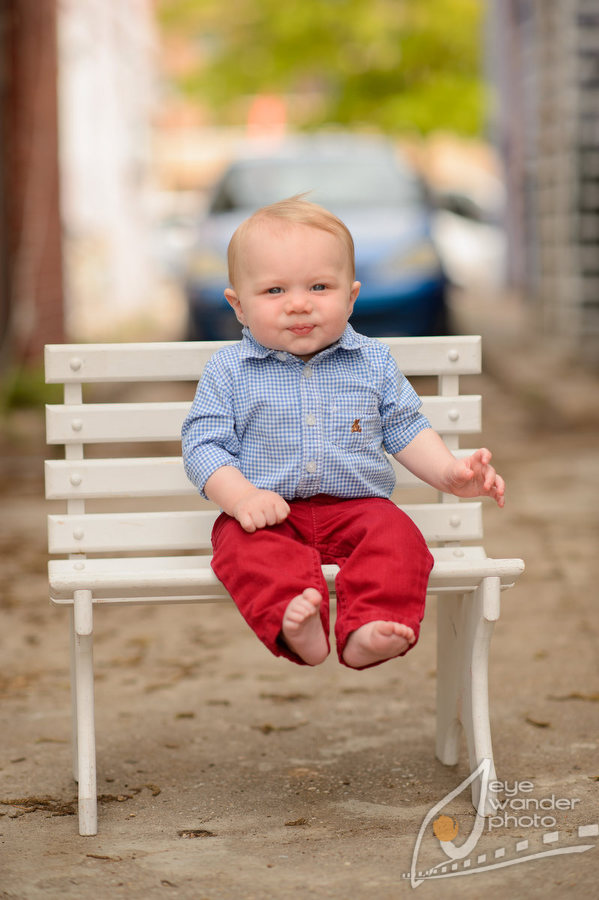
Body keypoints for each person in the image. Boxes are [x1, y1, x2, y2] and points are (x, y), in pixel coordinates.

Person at [181, 197, 505, 670]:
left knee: (399, 538)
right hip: (269, 513)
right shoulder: (228, 371)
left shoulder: (373, 362)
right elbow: (203, 445)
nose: (298, 303)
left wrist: (450, 473)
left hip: (359, 509)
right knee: (241, 546)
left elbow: (406, 427)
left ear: (351, 297)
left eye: (319, 286)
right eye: (274, 290)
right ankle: (296, 621)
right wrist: (242, 497)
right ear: (240, 306)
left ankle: (371, 626)